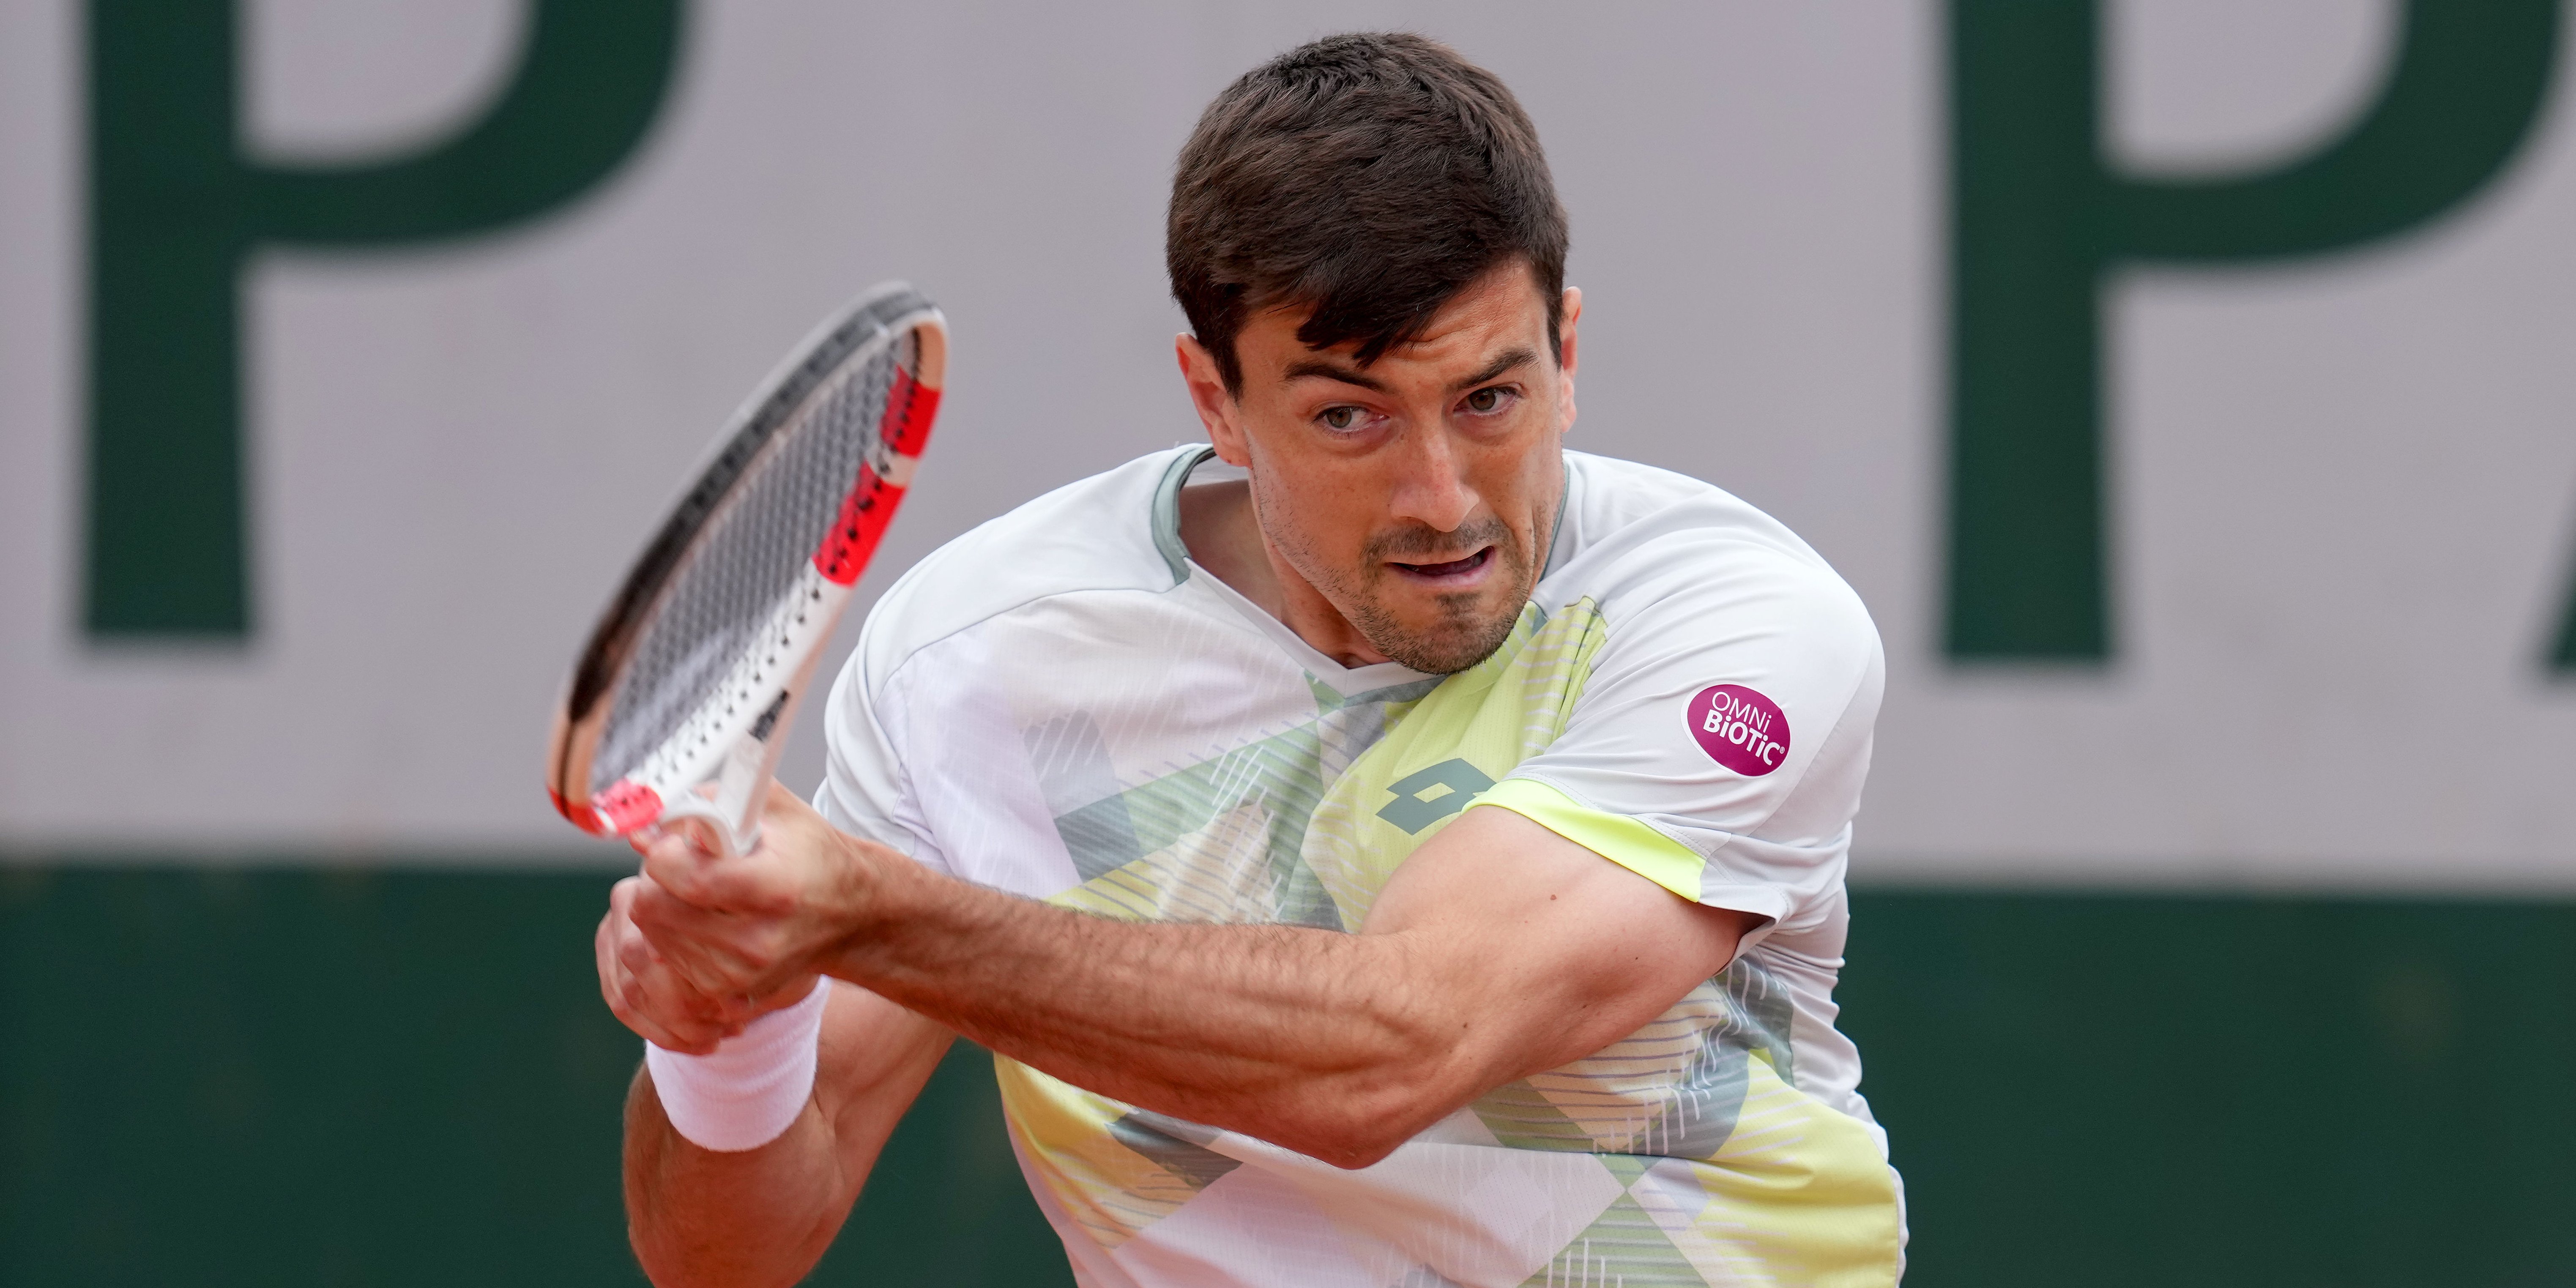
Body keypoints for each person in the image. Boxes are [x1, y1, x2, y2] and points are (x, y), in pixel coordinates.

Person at [596, 31, 1903, 1288]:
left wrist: (874, 915)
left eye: (1488, 400)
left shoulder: (1729, 622)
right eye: (1349, 417)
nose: (1442, 498)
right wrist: (730, 1031)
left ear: (1565, 355)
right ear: (1215, 399)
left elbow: (1394, 1053)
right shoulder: (977, 662)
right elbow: (724, 1257)